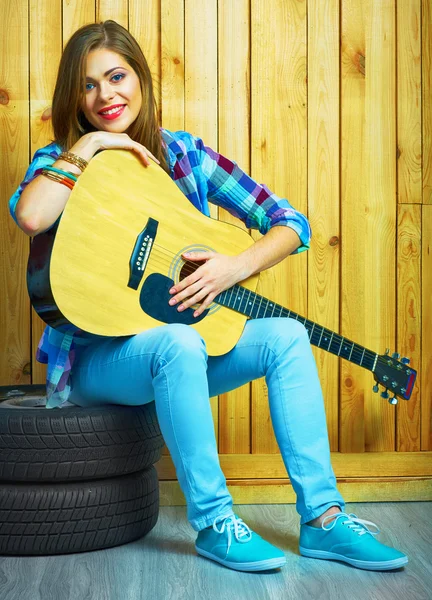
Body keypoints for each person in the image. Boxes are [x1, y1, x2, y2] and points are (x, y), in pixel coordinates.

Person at [9, 20, 407, 573]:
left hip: (181, 357)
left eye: (117, 76)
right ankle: (216, 523)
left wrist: (234, 266)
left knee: (287, 336)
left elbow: (290, 222)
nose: (105, 95)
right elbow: (31, 216)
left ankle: (323, 520)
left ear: (141, 78)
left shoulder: (184, 156)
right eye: (88, 85)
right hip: (99, 364)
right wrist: (93, 144)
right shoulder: (62, 159)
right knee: (176, 343)